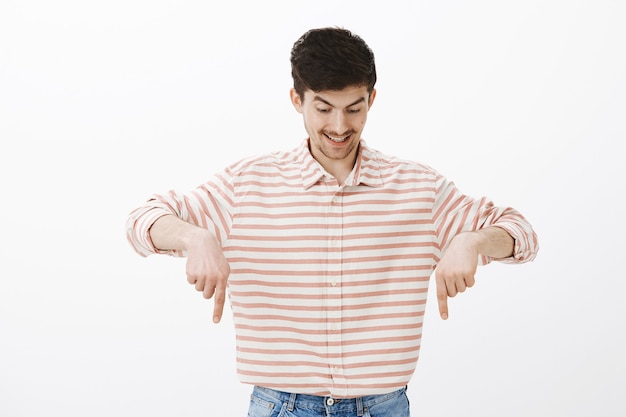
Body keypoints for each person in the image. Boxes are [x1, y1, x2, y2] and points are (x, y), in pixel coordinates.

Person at [126, 27, 539, 417]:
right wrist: (194, 237)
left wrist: (472, 242)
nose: (340, 127)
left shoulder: (419, 188)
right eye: (323, 109)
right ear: (296, 99)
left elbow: (521, 233)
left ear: (371, 100)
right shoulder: (246, 184)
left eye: (353, 109)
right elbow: (142, 219)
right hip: (281, 406)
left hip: (384, 405)